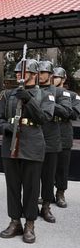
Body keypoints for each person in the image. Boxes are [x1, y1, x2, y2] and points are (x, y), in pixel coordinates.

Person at [0, 59, 53, 244]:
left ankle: (30, 224)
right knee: (12, 187)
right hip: (11, 145)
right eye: (17, 73)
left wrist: (28, 99)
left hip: (33, 145)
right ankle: (15, 221)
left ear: (34, 75)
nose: (18, 75)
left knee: (32, 188)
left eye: (23, 73)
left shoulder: (45, 96)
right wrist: (7, 128)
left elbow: (44, 118)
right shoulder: (6, 95)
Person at [36, 61, 71, 223]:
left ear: (50, 75)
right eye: (38, 72)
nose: (40, 75)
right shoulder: (33, 90)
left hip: (51, 137)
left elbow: (67, 111)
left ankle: (47, 206)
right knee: (33, 175)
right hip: (34, 137)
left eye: (44, 72)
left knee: (49, 176)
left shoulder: (59, 92)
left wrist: (50, 104)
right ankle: (32, 204)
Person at [51, 67, 79, 208]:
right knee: (47, 166)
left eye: (56, 77)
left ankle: (60, 192)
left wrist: (51, 104)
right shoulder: (44, 92)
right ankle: (46, 193)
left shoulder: (72, 95)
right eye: (52, 76)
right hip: (48, 132)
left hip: (63, 133)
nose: (53, 79)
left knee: (62, 166)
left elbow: (73, 113)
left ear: (63, 79)